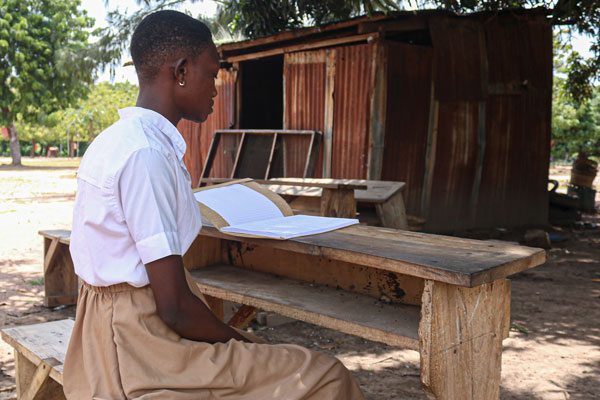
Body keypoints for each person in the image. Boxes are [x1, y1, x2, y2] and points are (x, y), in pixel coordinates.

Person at [63, 10, 364, 399]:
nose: (216, 88)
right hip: (141, 345)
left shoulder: (115, 140)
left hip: (104, 330)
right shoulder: (146, 155)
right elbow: (174, 310)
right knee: (324, 374)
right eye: (213, 73)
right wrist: (241, 342)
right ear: (182, 71)